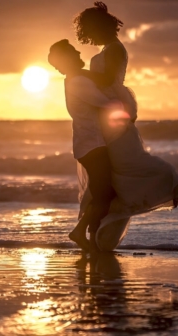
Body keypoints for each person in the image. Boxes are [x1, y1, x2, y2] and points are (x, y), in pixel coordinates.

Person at [71, 1, 178, 251]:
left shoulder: (114, 49)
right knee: (109, 176)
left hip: (113, 109)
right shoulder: (108, 49)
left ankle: (170, 181)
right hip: (105, 111)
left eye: (90, 28)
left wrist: (77, 73)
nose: (88, 35)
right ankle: (97, 236)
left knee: (125, 164)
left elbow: (105, 79)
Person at [48, 39, 124, 251]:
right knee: (105, 194)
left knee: (100, 193)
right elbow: (105, 103)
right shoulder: (78, 82)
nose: (78, 51)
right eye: (73, 51)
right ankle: (81, 232)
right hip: (92, 145)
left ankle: (90, 238)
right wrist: (125, 107)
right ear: (68, 58)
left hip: (89, 144)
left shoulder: (76, 79)